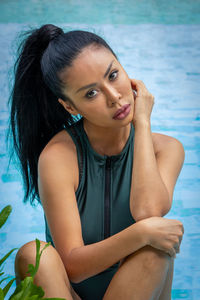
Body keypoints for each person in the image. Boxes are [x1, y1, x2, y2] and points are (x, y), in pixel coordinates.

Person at [8, 24, 185, 300]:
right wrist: (140, 234)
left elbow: (148, 211)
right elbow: (74, 266)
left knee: (155, 252)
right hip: (68, 295)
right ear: (70, 107)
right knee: (33, 255)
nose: (114, 97)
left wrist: (143, 122)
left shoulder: (167, 149)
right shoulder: (58, 157)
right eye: (91, 93)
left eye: (113, 75)